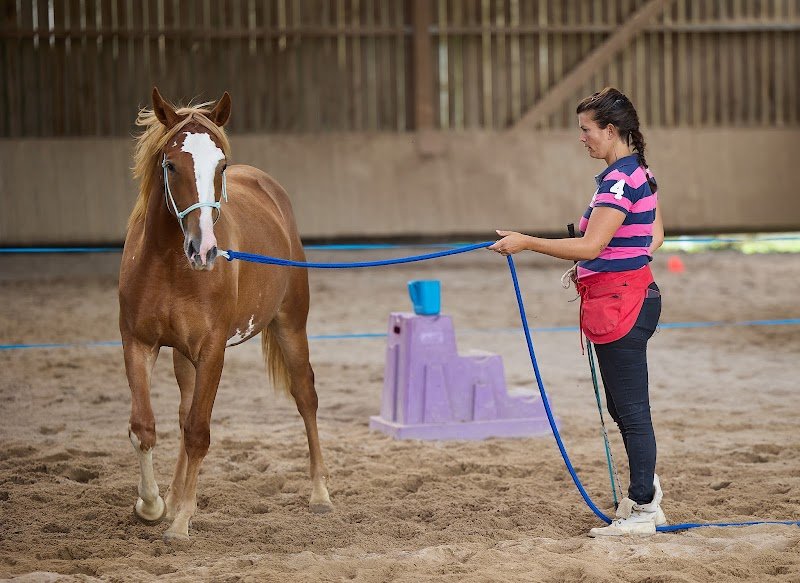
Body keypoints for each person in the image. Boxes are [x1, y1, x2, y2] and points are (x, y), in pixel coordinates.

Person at [488, 87, 666, 537]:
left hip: (622, 304)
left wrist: (526, 242)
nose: (582, 139)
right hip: (633, 295)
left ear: (610, 130)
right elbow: (653, 238)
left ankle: (644, 507)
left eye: (586, 131)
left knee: (630, 408)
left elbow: (590, 245)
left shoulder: (619, 181)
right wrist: (615, 261)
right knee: (624, 406)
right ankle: (645, 493)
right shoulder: (638, 172)